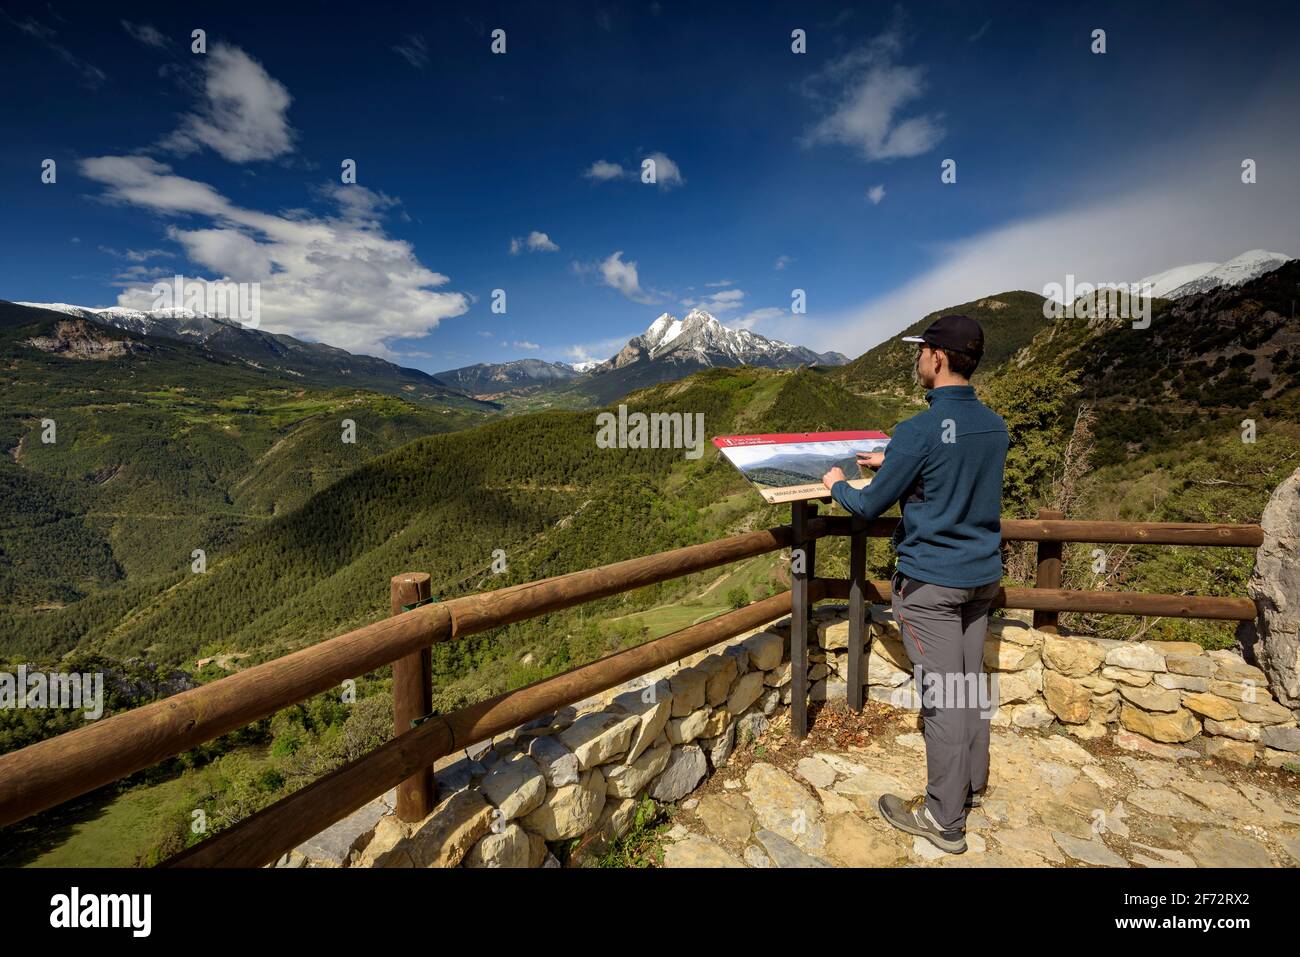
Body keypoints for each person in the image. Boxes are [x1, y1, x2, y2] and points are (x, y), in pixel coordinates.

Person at [821, 314, 1009, 854]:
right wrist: (896, 463)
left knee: (943, 699)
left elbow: (866, 506)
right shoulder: (993, 425)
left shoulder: (919, 430)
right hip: (980, 578)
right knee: (970, 684)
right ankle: (971, 783)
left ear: (939, 357)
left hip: (932, 584)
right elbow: (955, 472)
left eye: (922, 350)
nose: (917, 359)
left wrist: (837, 483)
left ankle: (943, 818)